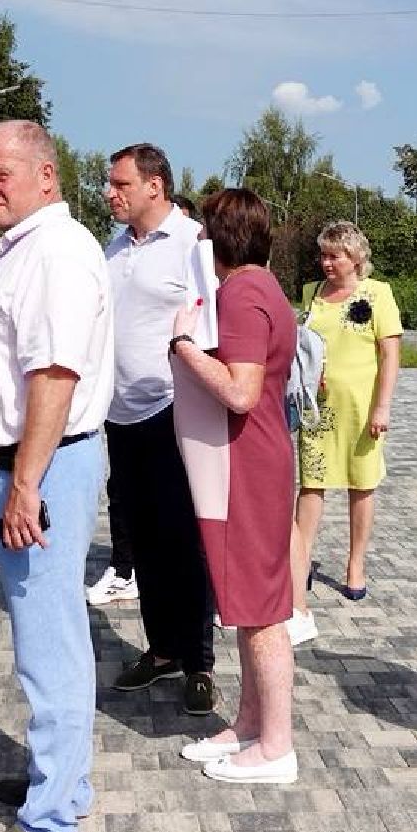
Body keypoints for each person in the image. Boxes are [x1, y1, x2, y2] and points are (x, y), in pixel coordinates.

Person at [0, 120, 112, 832]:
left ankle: (48, 823)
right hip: (30, 467)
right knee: (56, 640)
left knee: (48, 652)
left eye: (1, 175)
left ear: (47, 174)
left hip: (39, 470)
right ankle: (62, 785)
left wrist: (23, 485)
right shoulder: (31, 251)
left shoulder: (54, 253)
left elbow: (54, 375)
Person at [167, 188, 299, 785]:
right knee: (248, 605)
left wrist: (184, 348)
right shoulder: (261, 287)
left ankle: (276, 746)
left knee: (263, 611)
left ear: (218, 238)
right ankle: (249, 724)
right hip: (250, 462)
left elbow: (241, 391)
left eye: (202, 233)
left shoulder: (244, 294)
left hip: (248, 466)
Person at [100, 143, 216, 715]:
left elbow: (212, 328)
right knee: (141, 538)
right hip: (118, 415)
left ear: (156, 185)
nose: (110, 192)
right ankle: (162, 648)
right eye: (109, 183)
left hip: (174, 410)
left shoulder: (192, 244)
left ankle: (198, 660)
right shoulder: (114, 248)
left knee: (183, 542)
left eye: (120, 183)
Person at [289, 221, 402, 643]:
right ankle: (299, 565)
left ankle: (356, 563)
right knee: (311, 484)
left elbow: (390, 352)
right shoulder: (310, 294)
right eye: (323, 255)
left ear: (355, 257)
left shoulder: (378, 294)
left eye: (334, 255)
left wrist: (383, 405)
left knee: (361, 484)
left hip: (361, 406)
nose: (326, 263)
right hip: (319, 407)